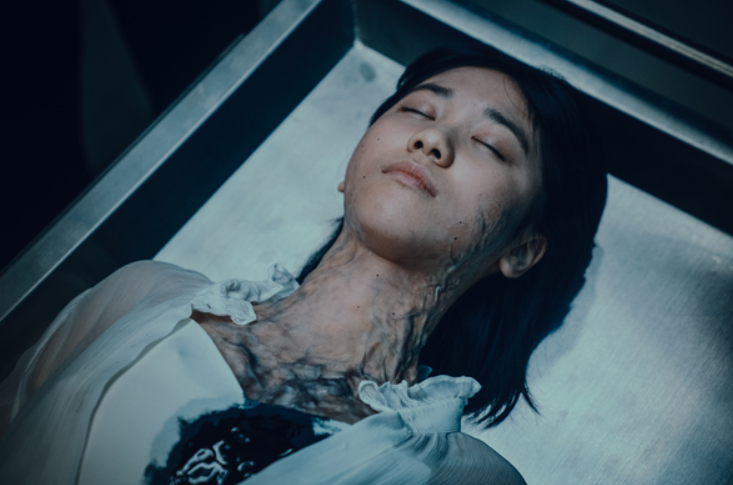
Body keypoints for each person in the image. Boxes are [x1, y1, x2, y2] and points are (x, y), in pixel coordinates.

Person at [0, 45, 606, 484]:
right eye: (419, 111)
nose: (432, 141)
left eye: (490, 144)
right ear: (350, 168)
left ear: (521, 249)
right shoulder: (142, 296)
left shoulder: (468, 479)